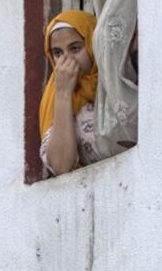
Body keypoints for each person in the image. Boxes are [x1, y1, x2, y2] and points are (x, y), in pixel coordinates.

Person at [39, 10, 111, 176]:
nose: (67, 59)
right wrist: (63, 94)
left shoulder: (114, 81)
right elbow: (61, 166)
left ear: (92, 45)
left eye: (75, 48)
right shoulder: (54, 95)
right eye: (58, 53)